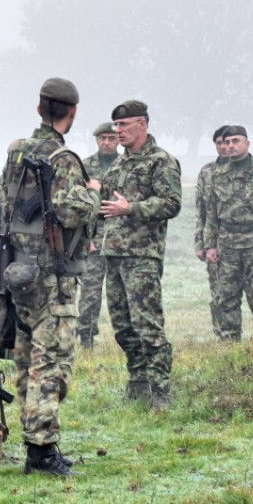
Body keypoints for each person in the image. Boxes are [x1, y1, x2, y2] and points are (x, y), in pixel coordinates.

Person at [0, 78, 99, 476]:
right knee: (49, 361)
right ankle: (42, 450)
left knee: (27, 356)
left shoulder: (16, 152)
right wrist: (92, 192)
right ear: (71, 113)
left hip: (20, 269)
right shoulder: (64, 158)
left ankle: (35, 437)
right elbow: (71, 212)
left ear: (40, 109)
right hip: (52, 274)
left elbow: (4, 199)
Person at [98, 101, 182, 409]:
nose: (118, 131)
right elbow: (106, 208)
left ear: (142, 124)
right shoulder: (118, 165)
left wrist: (132, 207)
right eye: (116, 126)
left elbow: (172, 204)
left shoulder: (162, 161)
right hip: (114, 254)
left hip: (142, 255)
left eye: (124, 125)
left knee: (148, 325)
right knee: (123, 326)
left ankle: (161, 393)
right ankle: (137, 384)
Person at [202, 125, 253, 343]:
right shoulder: (217, 174)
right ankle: (230, 345)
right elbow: (210, 213)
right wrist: (209, 245)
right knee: (225, 297)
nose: (230, 146)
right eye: (226, 142)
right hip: (226, 244)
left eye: (236, 141)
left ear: (247, 143)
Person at [77, 122, 119, 349]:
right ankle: (86, 337)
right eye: (102, 138)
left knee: (120, 290)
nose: (106, 142)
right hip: (93, 234)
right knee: (90, 290)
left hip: (120, 234)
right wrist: (85, 239)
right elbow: (80, 205)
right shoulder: (85, 166)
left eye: (111, 138)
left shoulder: (127, 165)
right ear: (96, 140)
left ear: (118, 140)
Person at [194, 126, 231, 340]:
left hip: (247, 240)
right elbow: (200, 210)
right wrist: (200, 243)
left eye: (228, 142)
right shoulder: (207, 172)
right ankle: (223, 336)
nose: (224, 147)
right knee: (218, 291)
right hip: (213, 242)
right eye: (219, 143)